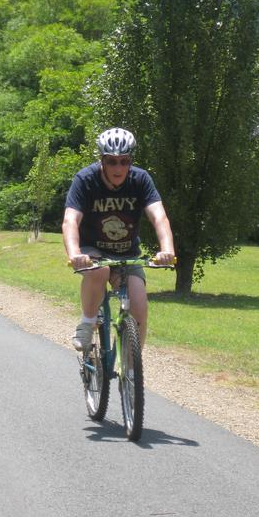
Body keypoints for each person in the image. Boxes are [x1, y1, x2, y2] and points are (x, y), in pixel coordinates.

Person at [62, 127, 175, 352]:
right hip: (91, 250)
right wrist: (75, 253)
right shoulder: (85, 180)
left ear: (131, 161)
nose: (118, 167)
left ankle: (132, 372)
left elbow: (159, 216)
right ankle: (87, 322)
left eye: (124, 161)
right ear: (102, 160)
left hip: (128, 254)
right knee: (99, 271)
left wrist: (167, 250)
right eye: (112, 161)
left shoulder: (141, 180)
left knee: (139, 307)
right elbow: (70, 220)